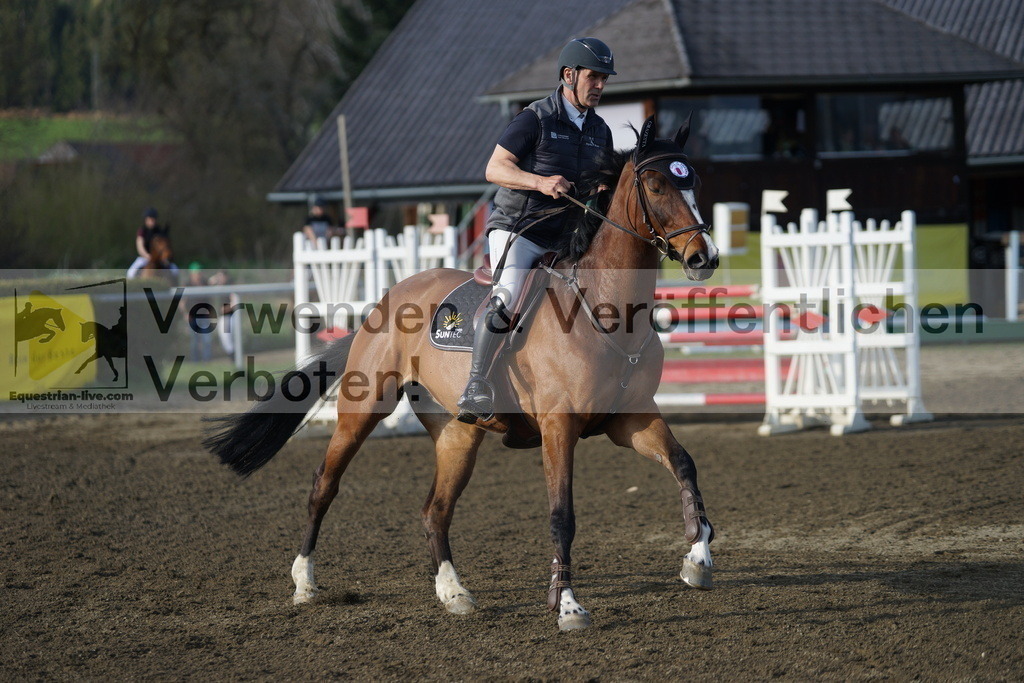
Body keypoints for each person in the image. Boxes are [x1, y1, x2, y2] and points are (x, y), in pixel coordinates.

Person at [456, 37, 616, 423]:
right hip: (520, 229)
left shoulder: (600, 130)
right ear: (569, 75)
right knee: (509, 295)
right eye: (593, 77)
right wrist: (540, 182)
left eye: (604, 79)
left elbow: (602, 185)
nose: (599, 85)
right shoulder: (535, 118)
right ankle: (476, 384)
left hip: (567, 237)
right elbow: (495, 169)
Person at [127, 207, 170, 278]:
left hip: (159, 259)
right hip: (144, 258)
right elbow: (140, 247)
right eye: (150, 219)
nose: (152, 221)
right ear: (146, 219)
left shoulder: (159, 231)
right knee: (130, 273)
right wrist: (147, 256)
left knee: (174, 270)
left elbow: (164, 245)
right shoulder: (142, 231)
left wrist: (163, 257)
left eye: (153, 219)